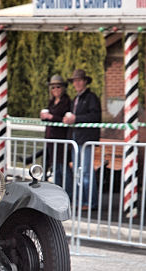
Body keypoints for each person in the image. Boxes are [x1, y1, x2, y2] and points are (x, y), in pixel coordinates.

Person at [63, 69, 101, 210]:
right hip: (76, 138)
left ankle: (91, 202)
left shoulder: (91, 98)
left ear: (85, 81)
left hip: (85, 140)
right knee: (78, 172)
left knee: (85, 172)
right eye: (75, 81)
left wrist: (76, 119)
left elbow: (95, 117)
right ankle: (82, 201)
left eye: (79, 80)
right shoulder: (76, 99)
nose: (77, 83)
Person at [40, 74, 72, 188]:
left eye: (58, 87)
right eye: (53, 87)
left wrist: (50, 117)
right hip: (50, 140)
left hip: (61, 140)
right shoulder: (52, 102)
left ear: (63, 88)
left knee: (64, 168)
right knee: (56, 169)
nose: (55, 89)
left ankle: (69, 194)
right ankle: (58, 193)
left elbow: (64, 119)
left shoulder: (67, 102)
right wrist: (44, 116)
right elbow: (48, 118)